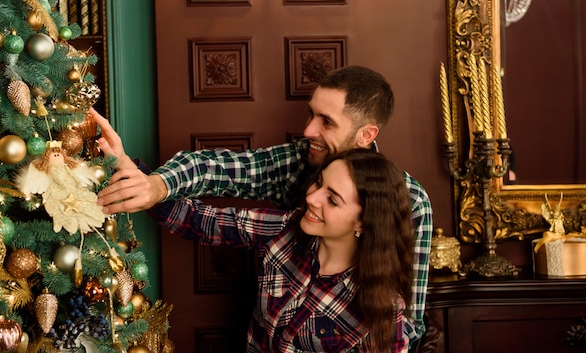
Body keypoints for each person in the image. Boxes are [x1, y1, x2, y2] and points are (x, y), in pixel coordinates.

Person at [91, 65, 433, 339]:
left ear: (367, 134)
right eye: (311, 114)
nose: (309, 130)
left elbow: (409, 325)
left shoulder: (410, 204)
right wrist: (155, 185)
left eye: (326, 122)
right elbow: (215, 176)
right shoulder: (286, 223)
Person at [161, 148, 418, 352]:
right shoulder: (287, 230)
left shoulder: (383, 308)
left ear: (364, 222)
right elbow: (202, 221)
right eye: (318, 183)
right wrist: (142, 182)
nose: (311, 198)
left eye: (332, 199)